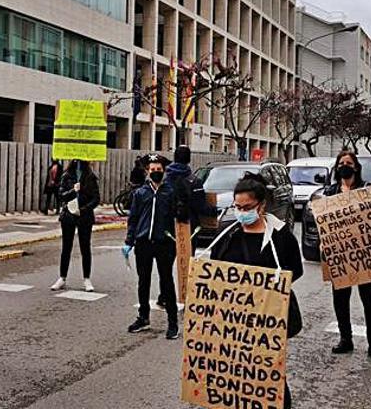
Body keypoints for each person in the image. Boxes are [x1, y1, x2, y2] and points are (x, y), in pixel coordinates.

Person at [208, 172, 303, 409]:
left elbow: (295, 271)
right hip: (232, 321)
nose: (242, 212)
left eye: (247, 207)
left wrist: (265, 290)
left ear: (261, 205)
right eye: (237, 207)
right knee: (235, 374)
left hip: (268, 320)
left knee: (269, 374)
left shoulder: (281, 238)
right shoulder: (227, 236)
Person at [325, 150, 371, 365]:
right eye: (341, 162)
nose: (345, 165)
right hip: (340, 255)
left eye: (349, 162)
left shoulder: (367, 191)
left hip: (365, 254)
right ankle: (346, 339)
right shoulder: (330, 193)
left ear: (356, 167)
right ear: (336, 167)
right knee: (340, 299)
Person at [122, 155, 179, 339]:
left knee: (166, 282)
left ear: (164, 171)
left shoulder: (170, 192)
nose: (155, 173)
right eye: (152, 170)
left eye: (158, 170)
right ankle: (143, 317)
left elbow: (179, 216)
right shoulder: (140, 193)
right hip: (144, 243)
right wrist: (129, 241)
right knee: (143, 281)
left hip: (164, 244)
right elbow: (133, 219)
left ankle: (173, 323)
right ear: (147, 172)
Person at [155, 145, 216, 308]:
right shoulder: (194, 181)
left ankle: (164, 295)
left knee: (166, 264)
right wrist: (214, 211)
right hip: (189, 227)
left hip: (168, 227)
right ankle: (186, 293)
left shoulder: (163, 179)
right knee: (187, 263)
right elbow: (201, 206)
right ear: (189, 159)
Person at [50, 160, 100, 292]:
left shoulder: (90, 176)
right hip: (68, 216)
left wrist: (83, 210)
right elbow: (61, 195)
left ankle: (86, 279)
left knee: (85, 248)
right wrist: (73, 190)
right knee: (66, 247)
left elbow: (96, 198)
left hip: (84, 217)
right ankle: (62, 277)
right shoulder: (67, 175)